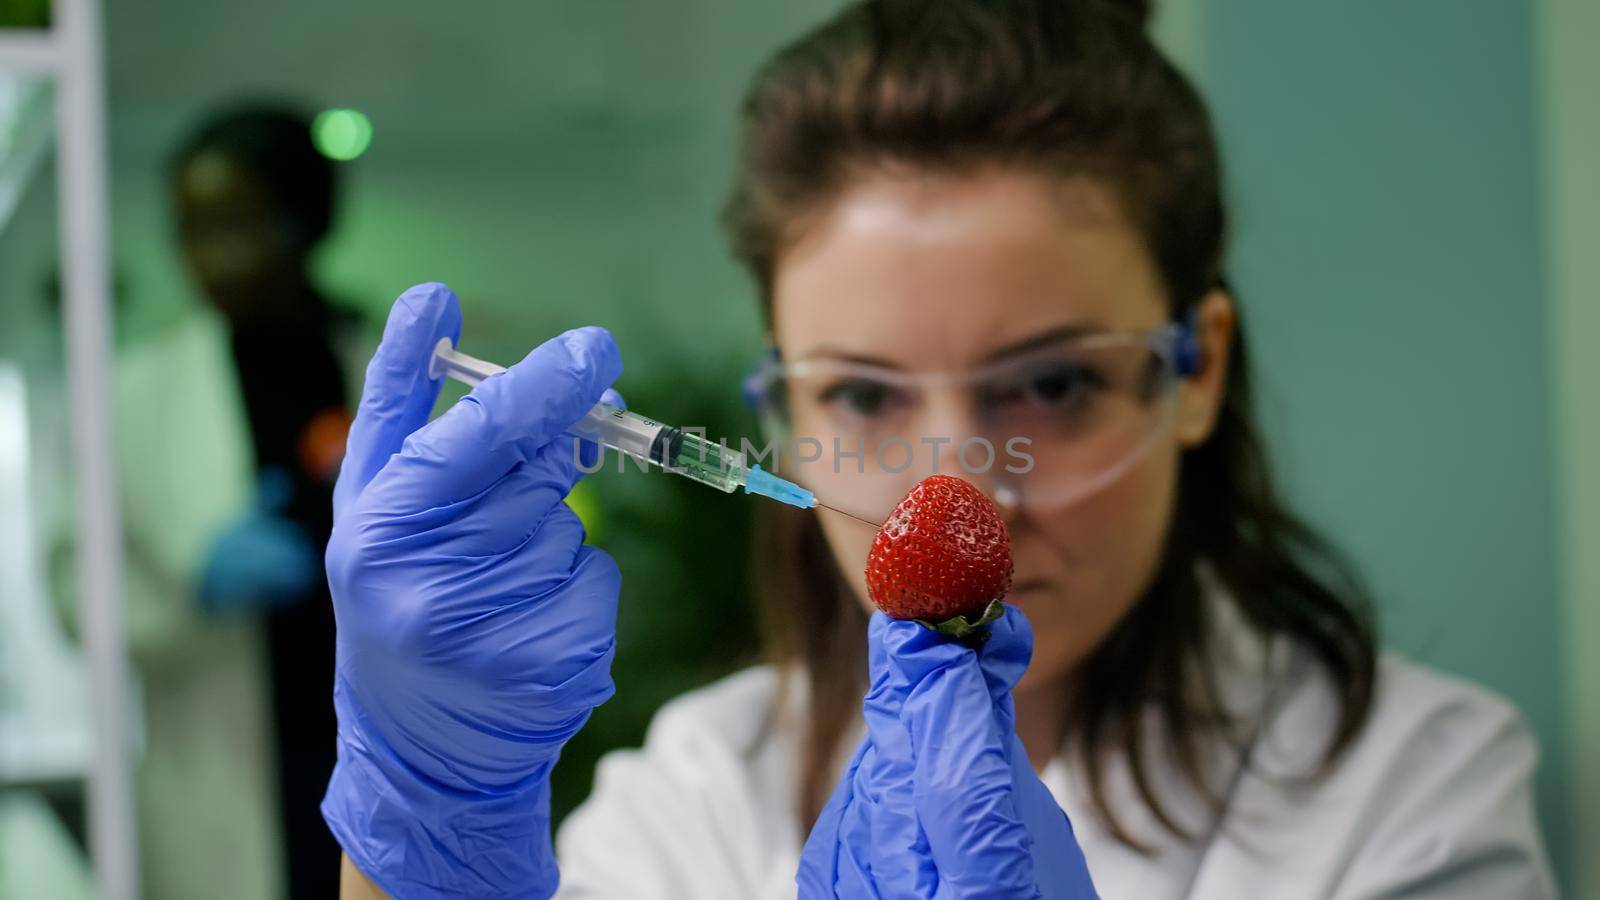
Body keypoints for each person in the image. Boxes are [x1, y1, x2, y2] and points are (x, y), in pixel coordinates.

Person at [323, 2, 1556, 897]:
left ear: (1198, 368)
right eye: (862, 393)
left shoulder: (1414, 795)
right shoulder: (693, 796)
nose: (951, 489)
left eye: (1055, 381)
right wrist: (424, 835)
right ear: (780, 408)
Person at [170, 105, 352, 896]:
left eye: (239, 227)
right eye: (193, 231)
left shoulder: (371, 355)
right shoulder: (143, 391)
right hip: (226, 746)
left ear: (305, 221)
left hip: (362, 719)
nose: (213, 259)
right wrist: (185, 587)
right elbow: (77, 577)